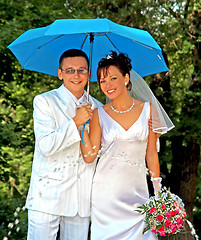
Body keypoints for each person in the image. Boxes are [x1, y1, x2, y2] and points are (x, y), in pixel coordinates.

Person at [79, 51, 174, 239]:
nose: (108, 85)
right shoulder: (98, 114)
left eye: (113, 78)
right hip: (106, 194)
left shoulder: (148, 109)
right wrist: (82, 127)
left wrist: (157, 192)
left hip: (138, 193)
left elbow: (152, 154)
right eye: (102, 80)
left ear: (126, 78)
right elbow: (90, 155)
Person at [25, 49, 102, 240]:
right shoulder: (45, 101)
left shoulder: (98, 107)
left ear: (89, 74)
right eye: (70, 70)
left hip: (81, 199)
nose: (76, 75)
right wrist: (76, 122)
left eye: (82, 70)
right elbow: (45, 146)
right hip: (47, 197)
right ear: (60, 73)